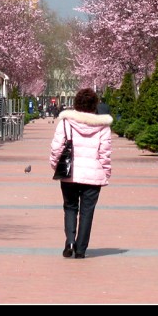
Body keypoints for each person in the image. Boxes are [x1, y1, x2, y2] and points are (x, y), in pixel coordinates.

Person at [49, 87, 113, 259]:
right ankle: (81, 249)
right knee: (87, 211)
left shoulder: (66, 122)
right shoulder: (103, 126)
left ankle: (70, 241)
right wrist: (106, 172)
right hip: (93, 175)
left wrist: (55, 165)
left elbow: (57, 147)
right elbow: (105, 153)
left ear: (76, 104)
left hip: (70, 172)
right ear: (95, 105)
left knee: (70, 207)